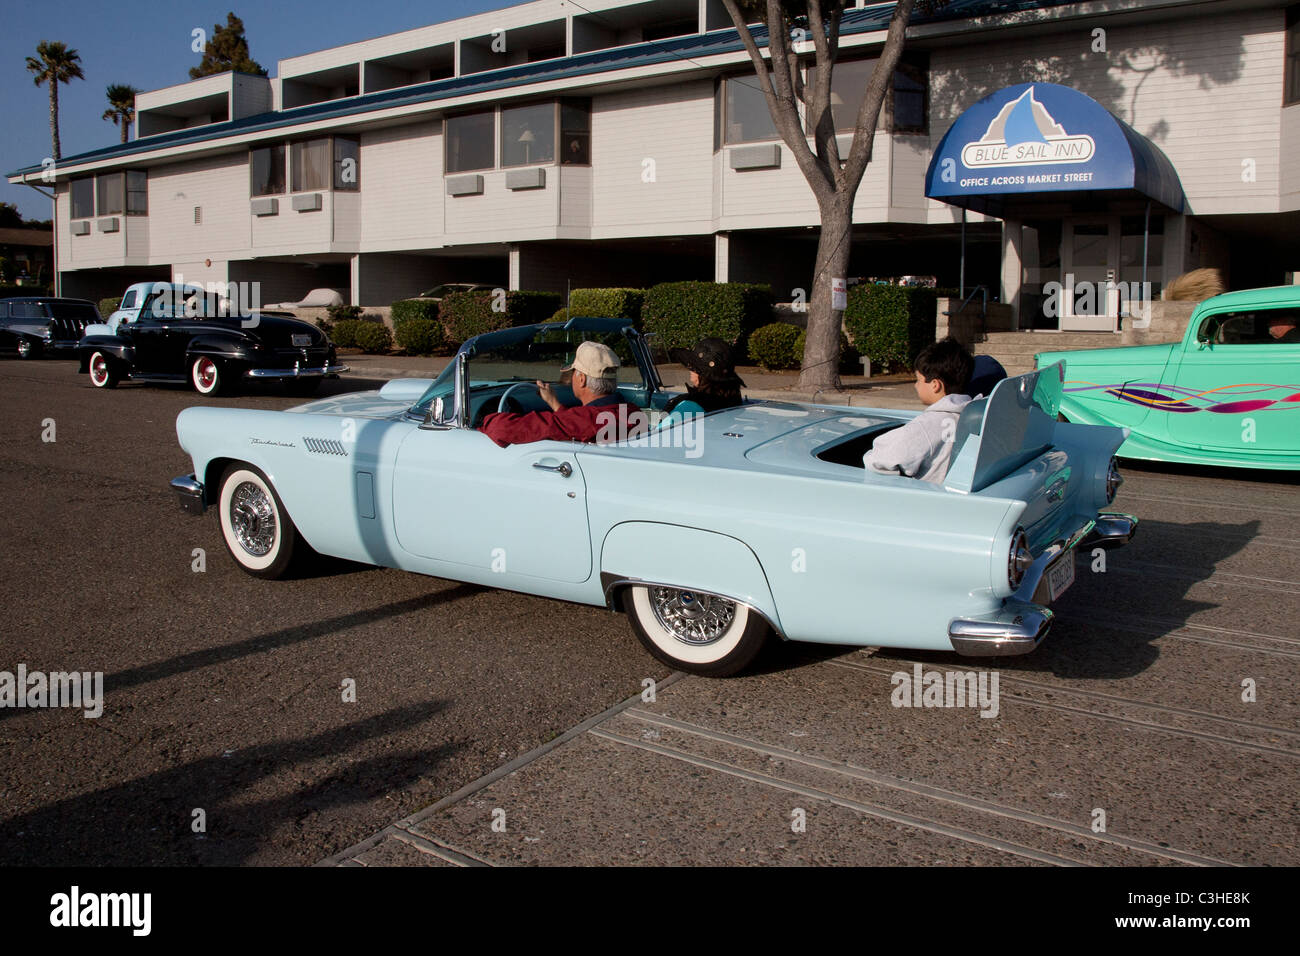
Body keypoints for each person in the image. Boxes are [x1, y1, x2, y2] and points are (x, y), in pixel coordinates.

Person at [479, 340, 643, 447]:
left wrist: (483, 419)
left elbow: (503, 429)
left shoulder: (585, 420)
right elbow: (575, 424)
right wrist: (555, 404)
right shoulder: (631, 411)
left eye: (573, 373)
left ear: (581, 380)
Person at [863, 337, 975, 485]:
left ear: (935, 385)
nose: (915, 386)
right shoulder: (971, 415)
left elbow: (879, 460)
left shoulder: (926, 426)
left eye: (918, 380)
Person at [659, 337, 746, 428]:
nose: (690, 370)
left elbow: (656, 437)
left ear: (703, 376)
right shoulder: (731, 400)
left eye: (694, 367)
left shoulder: (689, 407)